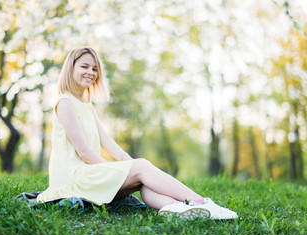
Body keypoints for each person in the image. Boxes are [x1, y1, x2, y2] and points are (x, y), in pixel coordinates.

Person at [36, 46, 238, 220]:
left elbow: (106, 141)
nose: (91, 72)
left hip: (87, 176)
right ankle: (200, 201)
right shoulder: (65, 103)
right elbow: (84, 152)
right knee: (140, 167)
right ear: (70, 69)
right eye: (84, 66)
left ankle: (176, 208)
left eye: (95, 68)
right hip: (73, 178)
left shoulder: (87, 105)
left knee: (143, 176)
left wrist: (128, 164)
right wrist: (117, 170)